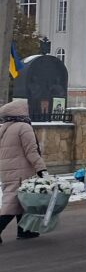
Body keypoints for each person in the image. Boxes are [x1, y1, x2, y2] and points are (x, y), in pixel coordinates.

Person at [0, 99, 47, 243]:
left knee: (21, 201)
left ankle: (24, 230)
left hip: (7, 169)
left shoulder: (4, 128)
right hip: (22, 170)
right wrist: (41, 168)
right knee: (12, 203)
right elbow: (31, 151)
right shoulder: (23, 127)